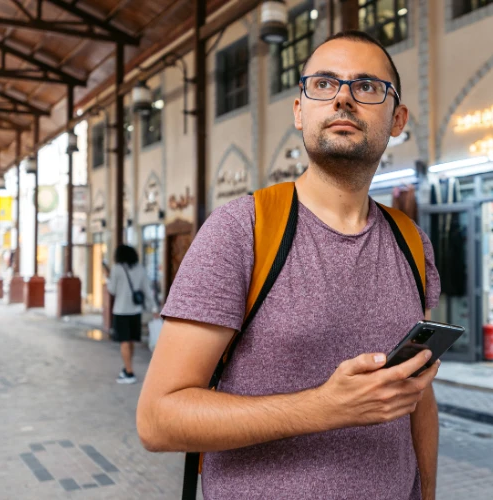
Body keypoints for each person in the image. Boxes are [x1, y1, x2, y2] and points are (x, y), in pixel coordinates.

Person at [136, 30, 442, 499]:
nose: (343, 98)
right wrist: (325, 407)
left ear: (397, 118)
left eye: (367, 86)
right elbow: (158, 419)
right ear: (300, 111)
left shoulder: (411, 243)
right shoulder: (241, 231)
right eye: (323, 84)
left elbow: (416, 400)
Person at [107, 244, 158, 384]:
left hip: (121, 311)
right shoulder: (140, 269)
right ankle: (127, 367)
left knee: (124, 341)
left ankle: (129, 373)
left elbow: (112, 290)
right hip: (135, 311)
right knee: (130, 341)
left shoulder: (116, 269)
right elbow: (147, 290)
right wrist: (154, 308)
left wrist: (107, 280)